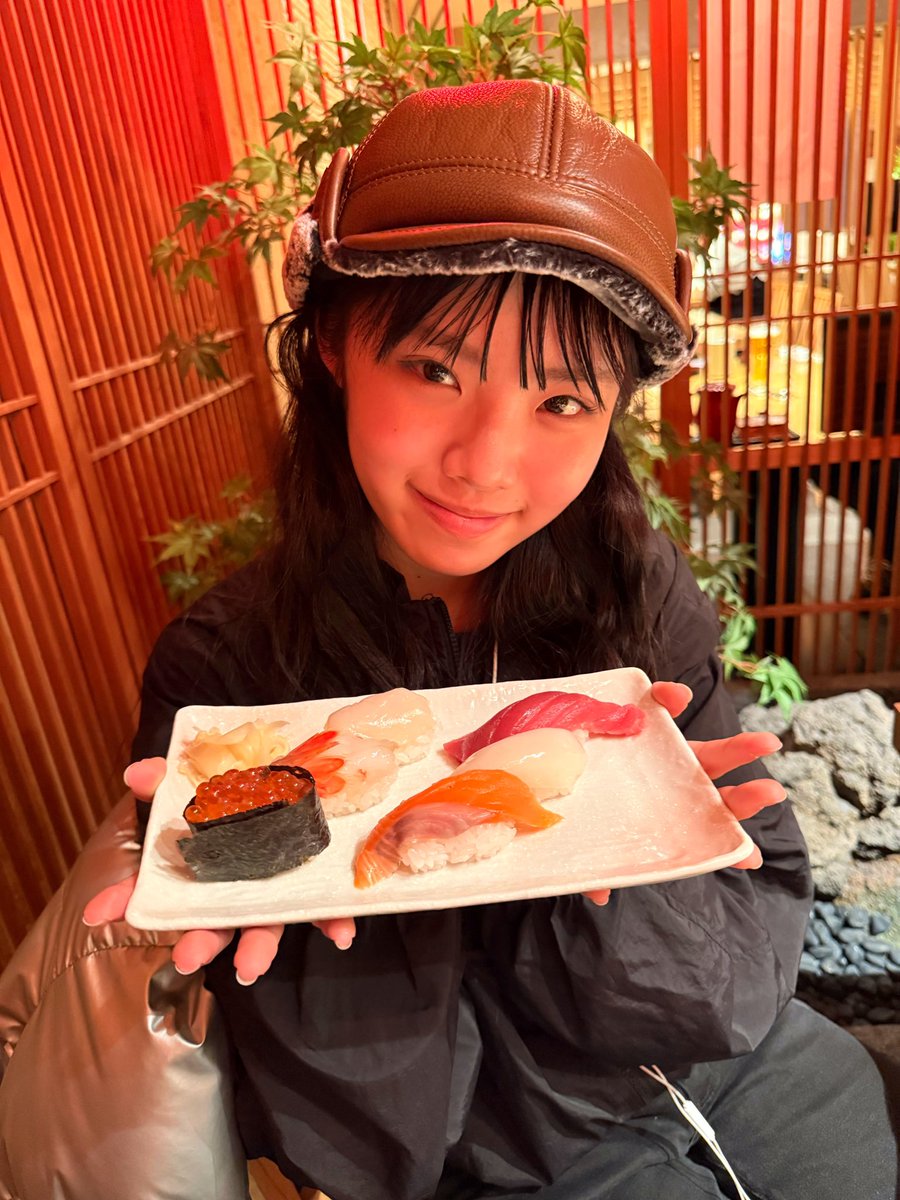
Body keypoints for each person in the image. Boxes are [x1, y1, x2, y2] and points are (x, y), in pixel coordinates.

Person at [84, 80, 897, 1199]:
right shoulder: (226, 670)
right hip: (496, 1155)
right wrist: (289, 892)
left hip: (734, 1069)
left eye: (562, 402)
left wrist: (620, 873)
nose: (486, 464)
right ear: (332, 345)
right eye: (435, 370)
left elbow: (745, 958)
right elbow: (352, 1126)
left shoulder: (637, 591)